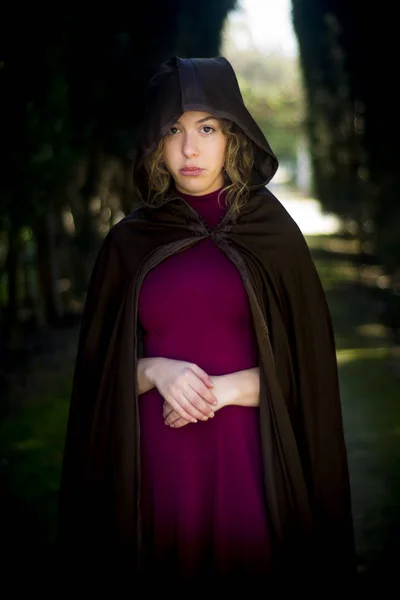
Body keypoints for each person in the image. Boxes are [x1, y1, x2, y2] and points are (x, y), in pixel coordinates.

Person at [57, 56, 356, 590]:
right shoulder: (130, 242)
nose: (189, 149)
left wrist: (229, 387)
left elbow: (309, 371)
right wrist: (152, 371)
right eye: (173, 129)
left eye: (207, 128)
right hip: (154, 468)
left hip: (251, 461)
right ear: (156, 140)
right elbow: (95, 377)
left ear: (232, 136)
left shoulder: (275, 236)